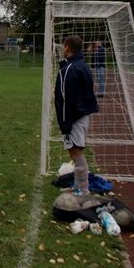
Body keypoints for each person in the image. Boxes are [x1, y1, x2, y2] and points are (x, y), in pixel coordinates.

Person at [54, 35, 99, 196]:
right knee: (74, 152)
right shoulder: (81, 65)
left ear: (67, 47)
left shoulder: (71, 69)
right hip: (80, 114)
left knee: (76, 152)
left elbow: (66, 99)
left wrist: (65, 123)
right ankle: (77, 185)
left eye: (63, 46)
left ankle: (83, 189)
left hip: (75, 117)